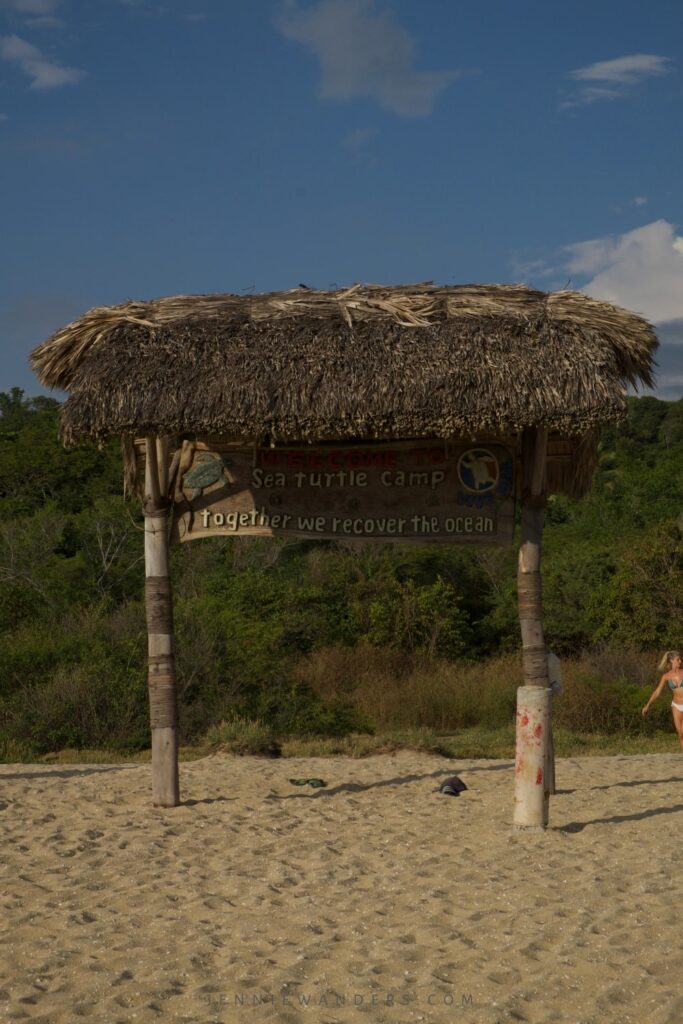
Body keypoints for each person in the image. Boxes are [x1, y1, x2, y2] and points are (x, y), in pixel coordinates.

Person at [641, 650, 683, 749]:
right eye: (678, 659)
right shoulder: (666, 676)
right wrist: (647, 705)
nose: (680, 661)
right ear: (672, 660)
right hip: (676, 705)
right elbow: (657, 692)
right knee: (680, 733)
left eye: (680, 659)